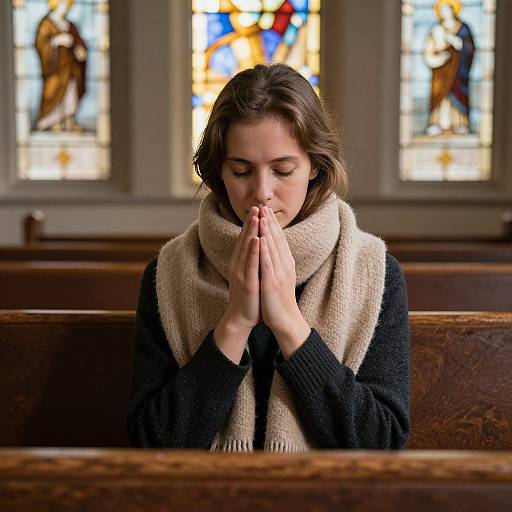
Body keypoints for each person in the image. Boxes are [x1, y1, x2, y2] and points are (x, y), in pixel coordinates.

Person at [126, 63, 410, 452]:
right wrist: (235, 323)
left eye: (283, 170)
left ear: (314, 166)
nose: (262, 192)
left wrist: (290, 325)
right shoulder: (168, 273)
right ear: (217, 172)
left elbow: (382, 442)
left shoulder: (373, 272)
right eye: (241, 171)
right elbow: (151, 442)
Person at [34, 0, 87, 132]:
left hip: (70, 68)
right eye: (63, 5)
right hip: (54, 69)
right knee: (52, 92)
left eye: (68, 5)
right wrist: (56, 41)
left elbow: (78, 43)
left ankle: (68, 119)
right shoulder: (46, 24)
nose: (66, 8)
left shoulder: (70, 25)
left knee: (70, 93)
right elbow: (41, 44)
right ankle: (53, 120)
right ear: (55, 4)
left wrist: (79, 51)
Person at [424, 0, 474, 136]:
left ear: (453, 10)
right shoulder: (436, 29)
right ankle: (437, 123)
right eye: (442, 10)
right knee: (440, 96)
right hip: (440, 71)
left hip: (458, 72)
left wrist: (454, 41)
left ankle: (460, 123)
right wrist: (437, 58)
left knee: (457, 95)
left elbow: (469, 49)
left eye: (447, 10)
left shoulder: (463, 28)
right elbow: (429, 51)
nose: (445, 13)